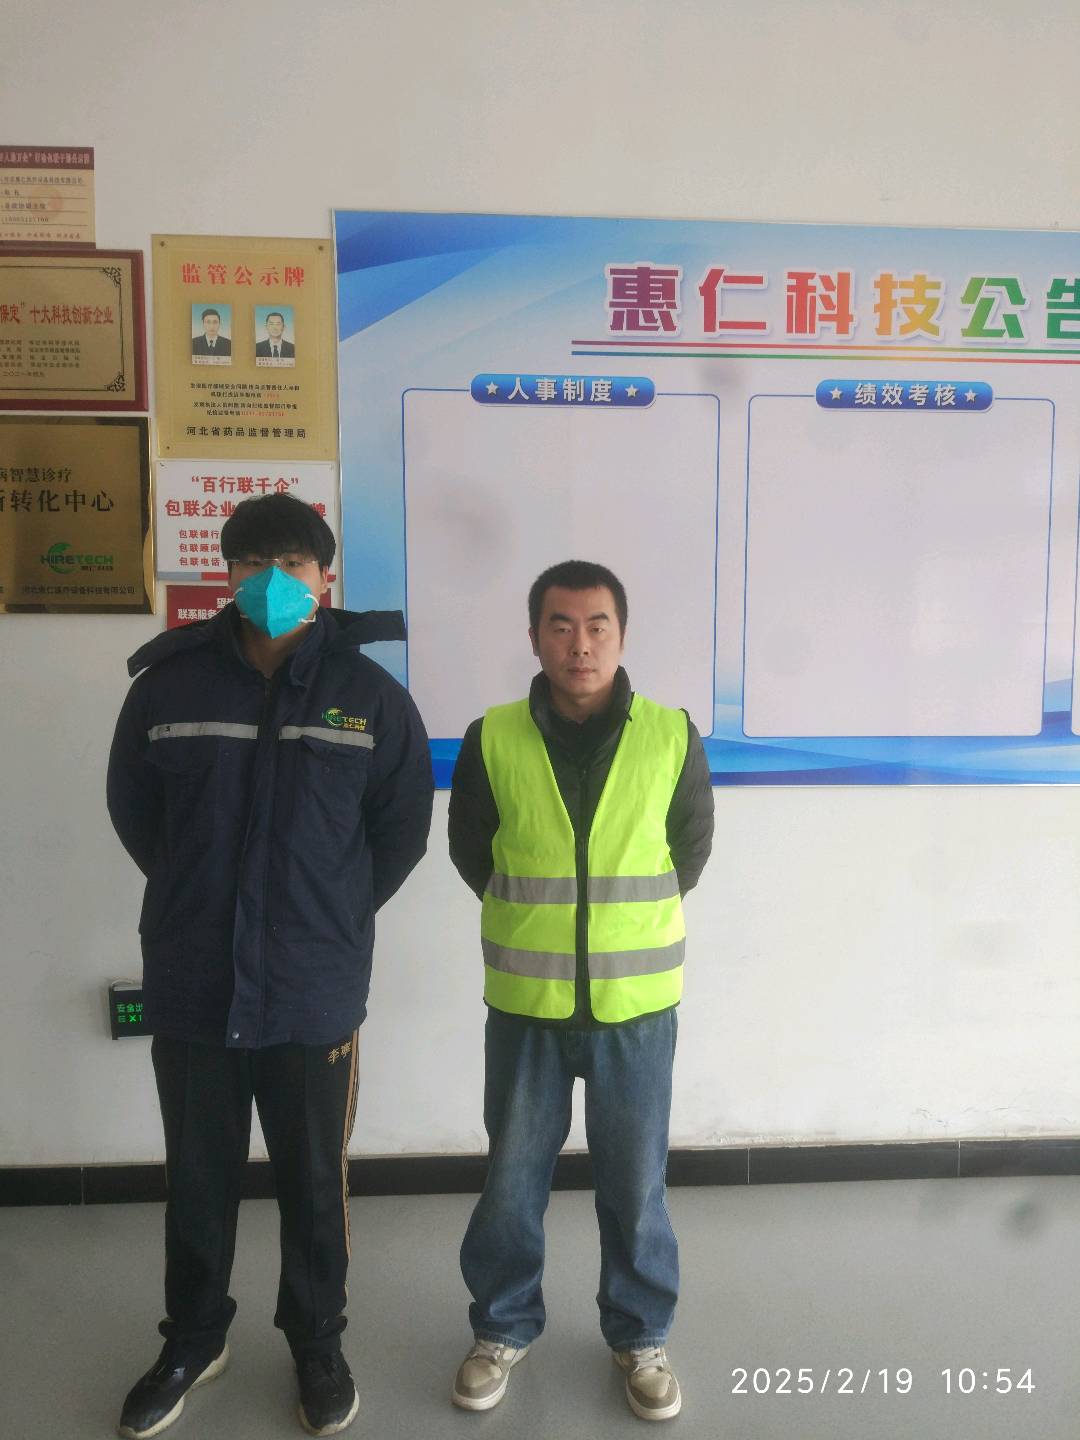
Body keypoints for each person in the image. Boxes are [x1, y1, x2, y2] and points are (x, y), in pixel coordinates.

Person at [107, 493, 433, 1439]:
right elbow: (136, 812)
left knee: (312, 1181)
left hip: (312, 985)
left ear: (327, 578)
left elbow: (400, 833)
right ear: (228, 575)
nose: (274, 581)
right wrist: (199, 900)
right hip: (194, 976)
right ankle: (193, 1337)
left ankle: (317, 1343)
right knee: (197, 1174)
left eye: (294, 564)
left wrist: (326, 916)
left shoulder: (372, 697)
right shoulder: (168, 687)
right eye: (254, 564)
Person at [447, 559, 713, 1422]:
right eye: (560, 626)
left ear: (621, 635)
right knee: (511, 1180)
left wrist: (613, 931)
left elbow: (689, 849)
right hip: (527, 1002)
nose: (580, 644)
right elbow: (472, 852)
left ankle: (641, 1335)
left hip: (636, 1006)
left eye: (597, 626)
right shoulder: (492, 737)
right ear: (535, 637)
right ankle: (501, 1327)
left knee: (635, 1184)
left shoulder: (670, 733)